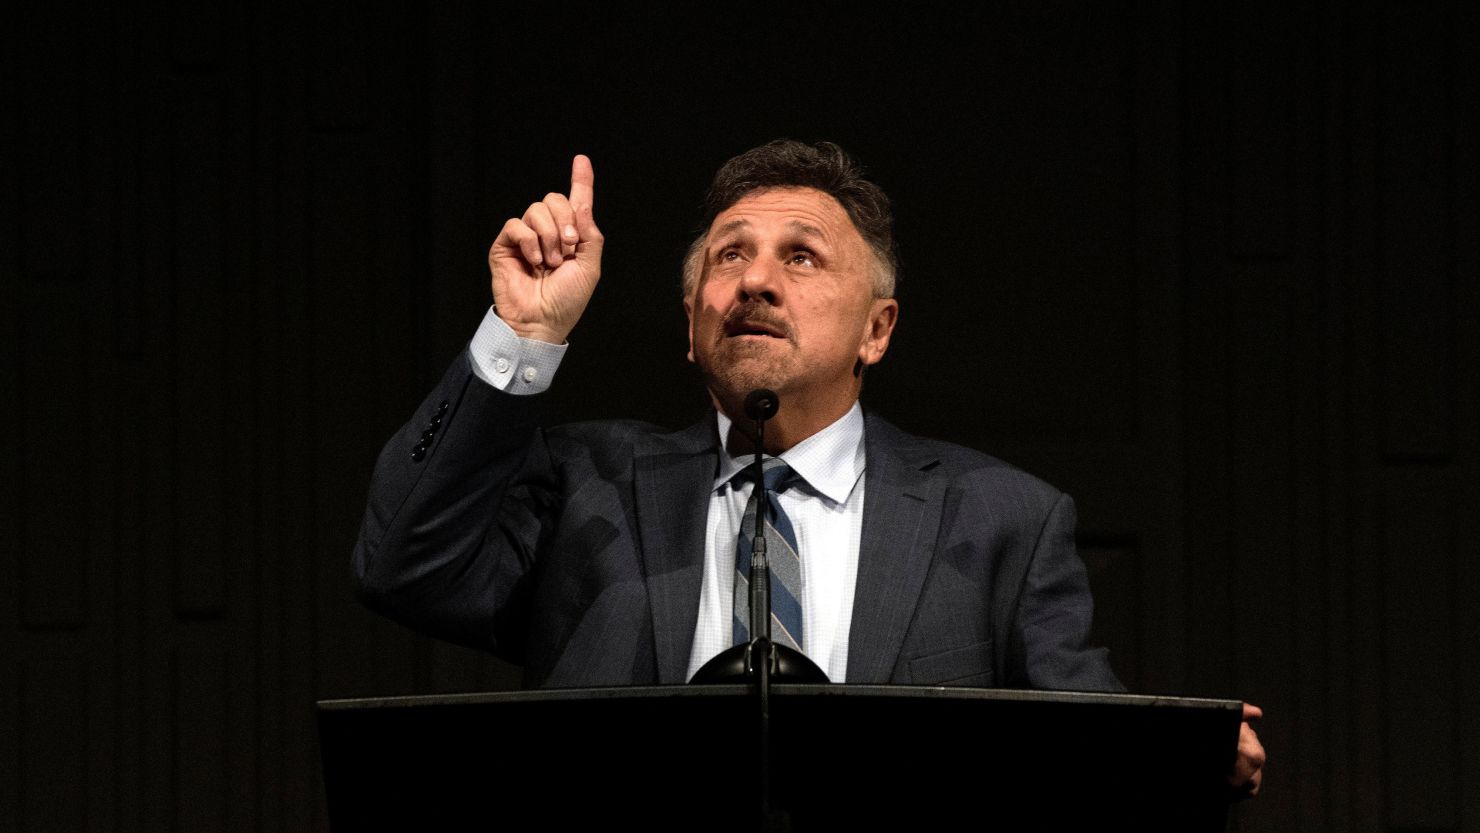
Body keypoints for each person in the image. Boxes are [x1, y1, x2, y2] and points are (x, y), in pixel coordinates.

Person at [351, 140, 1264, 796]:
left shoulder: (1002, 522)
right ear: (691, 325)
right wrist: (523, 333)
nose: (755, 280)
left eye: (801, 256)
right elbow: (402, 565)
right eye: (729, 255)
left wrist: (1181, 755)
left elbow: (1090, 744)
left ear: (877, 329)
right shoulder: (586, 482)